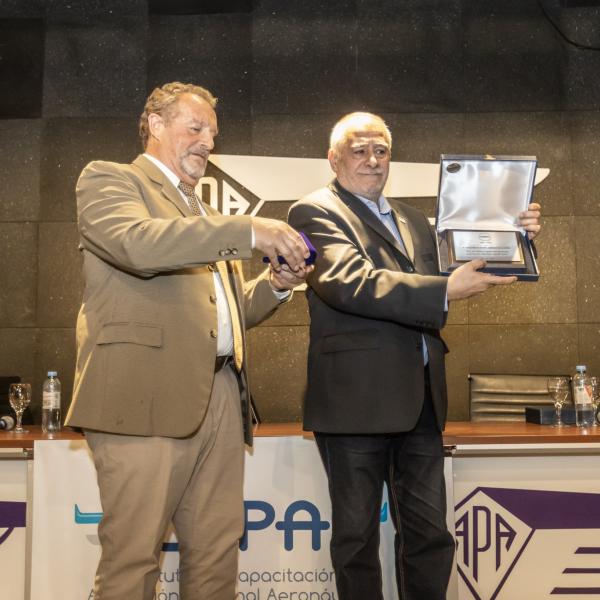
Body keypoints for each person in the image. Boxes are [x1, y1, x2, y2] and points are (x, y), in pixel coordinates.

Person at [65, 81, 312, 600]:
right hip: (143, 397)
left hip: (221, 396)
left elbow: (223, 313)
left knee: (217, 555)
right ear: (155, 124)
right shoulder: (110, 180)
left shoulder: (204, 215)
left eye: (213, 134)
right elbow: (135, 245)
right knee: (133, 560)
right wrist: (249, 230)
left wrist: (275, 286)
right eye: (195, 127)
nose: (207, 142)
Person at [287, 112, 542, 600]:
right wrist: (445, 289)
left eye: (381, 150)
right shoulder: (313, 212)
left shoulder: (413, 220)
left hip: (420, 404)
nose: (372, 160)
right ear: (333, 159)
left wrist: (515, 237)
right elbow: (351, 284)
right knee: (356, 541)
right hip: (355, 405)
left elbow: (458, 272)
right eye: (359, 150)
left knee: (430, 538)